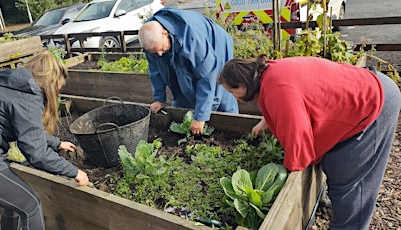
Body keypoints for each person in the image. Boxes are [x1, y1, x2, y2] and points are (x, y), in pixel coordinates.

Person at [217, 54, 401, 229]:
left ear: (243, 83)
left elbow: (299, 144)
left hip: (375, 101)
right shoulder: (268, 72)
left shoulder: (276, 89)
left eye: (232, 91)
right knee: (331, 162)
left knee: (348, 181)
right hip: (362, 90)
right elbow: (293, 96)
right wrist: (266, 120)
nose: (234, 97)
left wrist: (288, 176)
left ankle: (349, 226)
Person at [0, 50, 89, 230]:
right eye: (58, 88)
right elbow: (37, 154)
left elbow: (26, 131)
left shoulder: (10, 86)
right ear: (51, 83)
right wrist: (75, 172)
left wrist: (57, 143)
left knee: (14, 203)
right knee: (31, 204)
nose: (57, 93)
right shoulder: (27, 98)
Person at [138, 7, 239, 135]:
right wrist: (159, 98)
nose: (159, 53)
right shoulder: (151, 39)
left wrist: (200, 116)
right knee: (184, 90)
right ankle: (194, 120)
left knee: (220, 88)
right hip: (180, 45)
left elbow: (207, 75)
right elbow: (155, 70)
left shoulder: (192, 38)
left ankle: (233, 129)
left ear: (165, 33)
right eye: (155, 51)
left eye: (161, 49)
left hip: (216, 44)